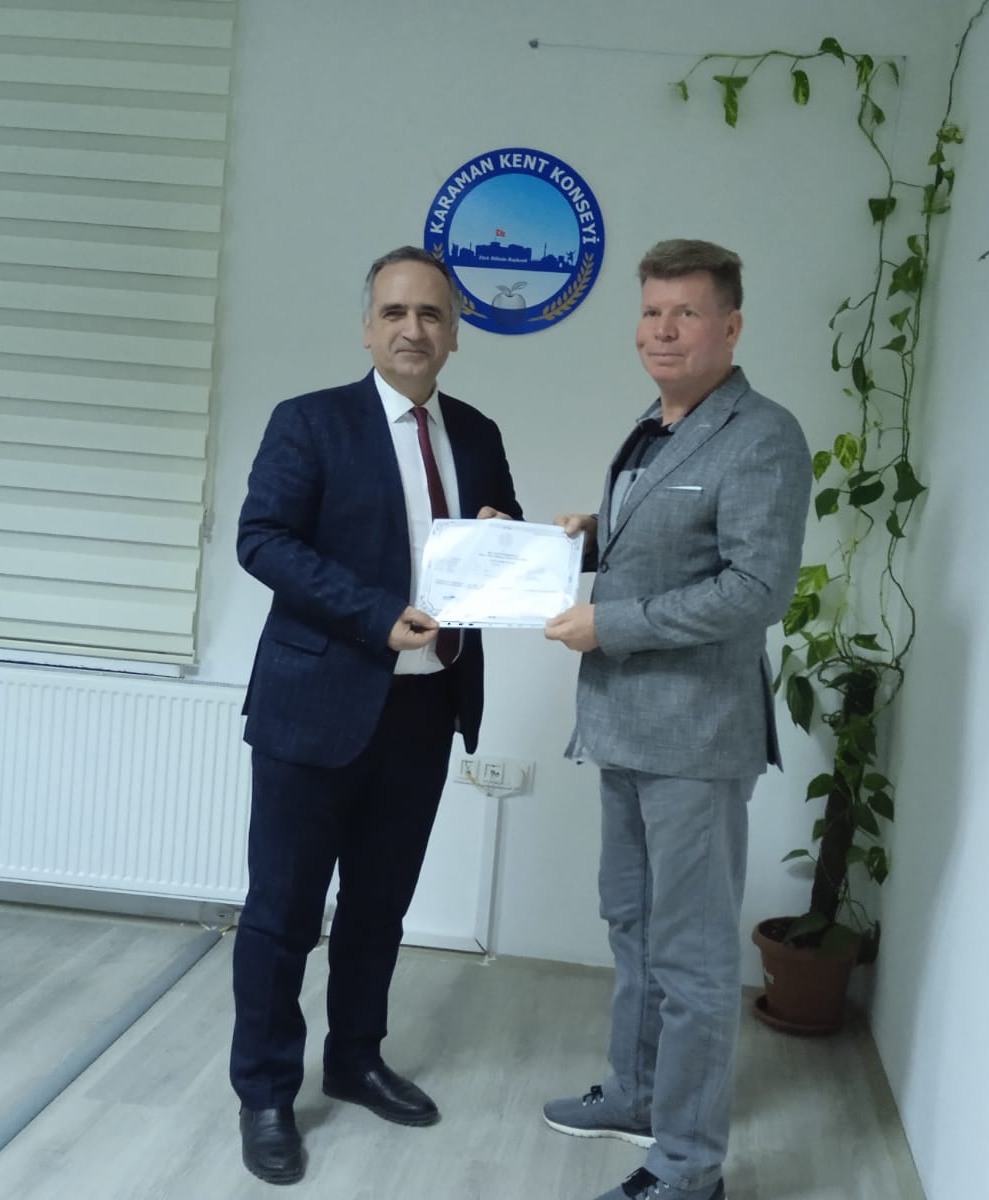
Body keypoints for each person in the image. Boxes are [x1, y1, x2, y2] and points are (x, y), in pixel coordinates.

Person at [232, 246, 521, 1186]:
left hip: (425, 707)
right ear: (367, 329)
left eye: (431, 314)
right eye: (394, 312)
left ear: (454, 334)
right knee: (282, 915)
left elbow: (500, 543)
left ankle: (355, 1059)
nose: (412, 329)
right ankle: (266, 1093)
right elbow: (262, 540)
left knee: (378, 909)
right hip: (314, 709)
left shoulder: (476, 433)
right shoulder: (309, 422)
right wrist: (371, 614)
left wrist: (513, 541)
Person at [542, 239, 812, 1200]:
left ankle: (691, 1169)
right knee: (633, 926)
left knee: (692, 960)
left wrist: (609, 623)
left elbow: (753, 590)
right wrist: (576, 543)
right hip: (621, 725)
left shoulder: (763, 435)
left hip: (696, 739)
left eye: (685, 313)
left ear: (730, 327)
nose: (662, 330)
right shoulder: (655, 427)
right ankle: (639, 1094)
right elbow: (664, 546)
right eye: (652, 312)